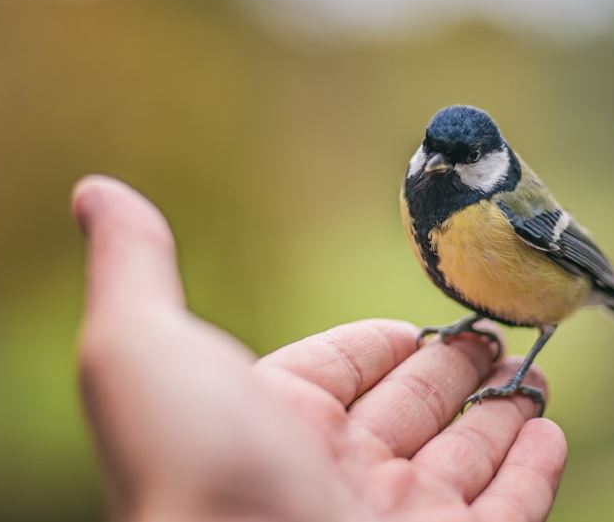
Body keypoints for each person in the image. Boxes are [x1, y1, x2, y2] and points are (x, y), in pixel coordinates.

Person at [72, 175, 568, 522]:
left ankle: (516, 376)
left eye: (463, 159)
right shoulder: (420, 192)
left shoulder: (509, 205)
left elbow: (567, 248)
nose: (440, 167)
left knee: (528, 333)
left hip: (557, 290)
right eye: (434, 154)